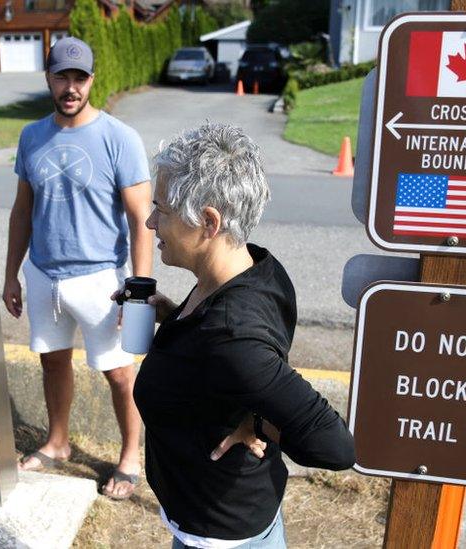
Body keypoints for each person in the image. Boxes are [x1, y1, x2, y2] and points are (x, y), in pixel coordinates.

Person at [133, 123, 356, 548]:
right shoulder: (256, 267)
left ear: (209, 222)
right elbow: (228, 349)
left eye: (161, 208)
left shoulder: (232, 338)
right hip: (216, 515)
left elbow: (335, 446)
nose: (149, 221)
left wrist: (261, 422)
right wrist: (174, 316)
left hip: (221, 533)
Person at [2, 37, 153, 500]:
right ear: (48, 78)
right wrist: (12, 274)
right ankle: (58, 442)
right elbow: (22, 211)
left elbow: (141, 218)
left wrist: (140, 290)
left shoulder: (119, 138)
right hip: (45, 275)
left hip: (102, 279)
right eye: (62, 77)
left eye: (79, 78)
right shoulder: (31, 136)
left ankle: (131, 458)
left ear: (92, 80)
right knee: (53, 362)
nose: (71, 87)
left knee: (120, 374)